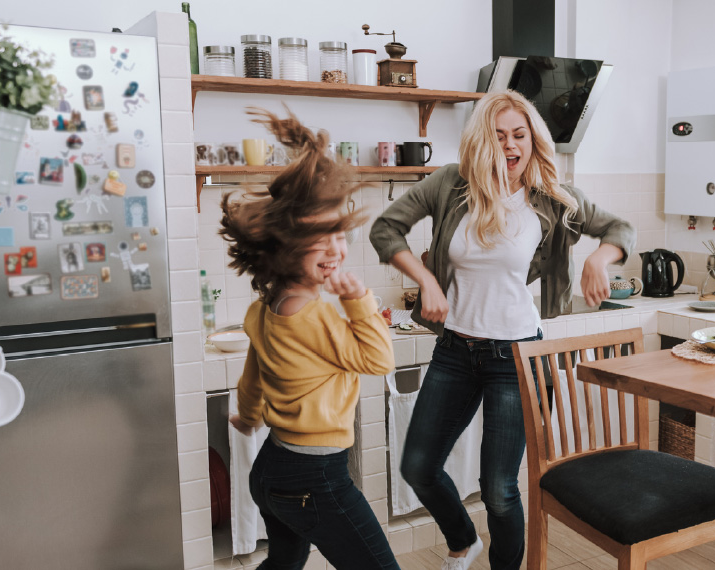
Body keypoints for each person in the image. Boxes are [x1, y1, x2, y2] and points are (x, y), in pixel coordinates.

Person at [370, 91, 635, 570]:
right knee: (418, 467)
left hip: (515, 358)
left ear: (532, 140)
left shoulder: (552, 197)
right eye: (499, 136)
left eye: (520, 135)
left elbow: (620, 230)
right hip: (454, 350)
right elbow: (385, 229)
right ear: (480, 142)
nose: (511, 146)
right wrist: (426, 279)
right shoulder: (451, 185)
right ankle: (463, 540)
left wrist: (599, 256)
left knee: (499, 491)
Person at [223, 107, 399, 570]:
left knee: (283, 563)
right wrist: (359, 299)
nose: (336, 250)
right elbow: (380, 359)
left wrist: (247, 416)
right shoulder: (318, 318)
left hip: (273, 468)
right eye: (319, 239)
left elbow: (253, 376)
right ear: (285, 248)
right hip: (314, 477)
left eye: (339, 234)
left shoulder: (262, 310)